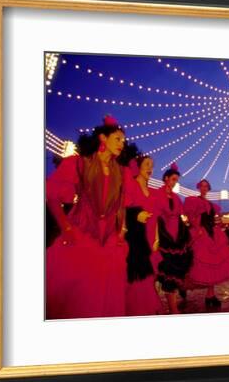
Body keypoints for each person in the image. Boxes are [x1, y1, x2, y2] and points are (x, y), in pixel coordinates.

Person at [45, 114, 136, 319]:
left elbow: (121, 206)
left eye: (123, 140)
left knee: (105, 299)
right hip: (83, 237)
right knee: (79, 299)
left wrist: (121, 231)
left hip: (110, 243)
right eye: (118, 139)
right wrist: (66, 227)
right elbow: (51, 196)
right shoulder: (79, 163)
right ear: (103, 138)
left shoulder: (121, 173)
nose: (122, 143)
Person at [184, 179, 229, 308]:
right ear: (199, 188)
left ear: (208, 189)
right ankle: (184, 286)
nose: (204, 188)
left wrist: (218, 222)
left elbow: (214, 219)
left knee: (213, 266)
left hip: (212, 234)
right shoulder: (194, 201)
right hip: (201, 234)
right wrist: (197, 229)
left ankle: (210, 295)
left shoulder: (210, 204)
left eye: (206, 186)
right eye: (202, 186)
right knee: (197, 265)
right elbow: (192, 217)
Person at [123, 155, 164, 316]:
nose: (150, 168)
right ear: (138, 167)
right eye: (147, 164)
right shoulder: (131, 186)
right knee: (136, 279)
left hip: (151, 239)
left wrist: (157, 238)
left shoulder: (153, 193)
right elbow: (122, 211)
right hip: (136, 239)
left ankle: (146, 311)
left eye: (152, 165)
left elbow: (155, 218)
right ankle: (135, 311)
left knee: (149, 278)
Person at [153, 163, 193, 314]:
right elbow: (156, 217)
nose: (175, 183)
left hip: (177, 238)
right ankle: (159, 306)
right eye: (173, 179)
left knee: (174, 274)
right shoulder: (157, 194)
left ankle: (172, 307)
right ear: (166, 179)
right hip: (164, 237)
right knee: (162, 273)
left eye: (176, 180)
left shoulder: (176, 198)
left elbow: (180, 217)